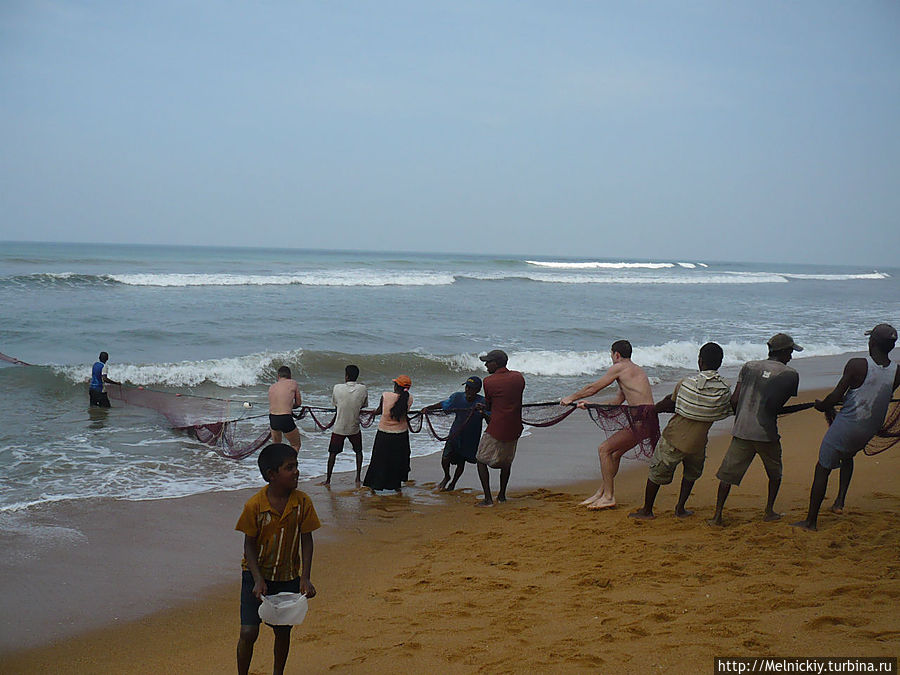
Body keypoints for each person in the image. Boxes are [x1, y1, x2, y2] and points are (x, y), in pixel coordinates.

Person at [792, 324, 900, 532]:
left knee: (822, 468)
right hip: (869, 428)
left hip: (849, 426)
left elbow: (834, 397)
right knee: (848, 455)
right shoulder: (897, 371)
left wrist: (821, 405)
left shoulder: (857, 365)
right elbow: (881, 393)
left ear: (872, 343)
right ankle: (839, 502)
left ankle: (810, 522)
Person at [235, 443, 319, 675]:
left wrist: (305, 577)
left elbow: (307, 540)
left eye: (296, 466)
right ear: (272, 475)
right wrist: (258, 578)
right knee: (248, 632)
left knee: (282, 631)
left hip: (287, 576)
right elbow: (249, 546)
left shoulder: (302, 503)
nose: (296, 472)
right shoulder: (254, 506)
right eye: (289, 467)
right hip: (255, 576)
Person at [629, 343, 732, 520]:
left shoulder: (686, 383)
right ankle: (680, 508)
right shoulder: (724, 389)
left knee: (656, 473)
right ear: (720, 363)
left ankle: (647, 510)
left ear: (700, 361)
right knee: (691, 475)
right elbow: (723, 409)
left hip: (674, 438)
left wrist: (654, 410)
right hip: (698, 442)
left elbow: (672, 402)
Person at [708, 333, 802, 526]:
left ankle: (717, 516)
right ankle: (769, 511)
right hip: (766, 433)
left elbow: (735, 399)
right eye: (790, 352)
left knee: (727, 476)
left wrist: (741, 415)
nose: (791, 356)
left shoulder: (749, 366)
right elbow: (774, 407)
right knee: (775, 474)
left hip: (742, 430)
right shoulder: (790, 375)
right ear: (783, 352)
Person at [560, 339, 654, 510]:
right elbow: (617, 401)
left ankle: (609, 496)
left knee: (604, 449)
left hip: (642, 420)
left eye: (611, 355)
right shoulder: (635, 370)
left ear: (616, 354)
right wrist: (589, 404)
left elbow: (593, 387)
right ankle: (602, 492)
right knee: (615, 454)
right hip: (647, 421)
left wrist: (571, 398)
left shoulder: (619, 367)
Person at [475, 350, 526, 507]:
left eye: (488, 362)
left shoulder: (489, 381)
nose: (485, 365)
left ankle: (488, 499)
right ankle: (502, 495)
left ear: (495, 363)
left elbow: (489, 405)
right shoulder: (518, 377)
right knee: (506, 462)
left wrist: (482, 408)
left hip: (497, 427)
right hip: (515, 427)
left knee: (481, 460)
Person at [422, 376, 487, 491]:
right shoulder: (457, 397)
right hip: (455, 434)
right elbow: (444, 404)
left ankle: (453, 483)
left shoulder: (482, 402)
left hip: (470, 437)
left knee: (461, 462)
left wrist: (482, 411)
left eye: (471, 388)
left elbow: (490, 419)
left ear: (477, 390)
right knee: (445, 457)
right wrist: (428, 408)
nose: (467, 390)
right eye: (467, 387)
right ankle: (447, 476)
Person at [320, 365, 369, 487]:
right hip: (354, 427)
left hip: (339, 427)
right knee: (358, 451)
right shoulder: (363, 389)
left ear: (346, 376)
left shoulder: (337, 388)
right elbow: (363, 405)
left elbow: (336, 404)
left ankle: (328, 479)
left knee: (332, 453)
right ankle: (358, 478)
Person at [362, 375, 413, 492]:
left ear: (396, 386)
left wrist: (372, 413)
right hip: (401, 435)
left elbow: (380, 410)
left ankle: (375, 485)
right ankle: (395, 485)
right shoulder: (409, 398)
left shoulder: (386, 395)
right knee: (397, 460)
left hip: (384, 434)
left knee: (379, 460)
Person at [268, 366, 302, 452]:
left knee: (276, 446)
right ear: (289, 376)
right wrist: (291, 406)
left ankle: (276, 465)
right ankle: (290, 464)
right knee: (295, 445)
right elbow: (298, 403)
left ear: (278, 376)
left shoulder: (272, 387)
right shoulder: (293, 383)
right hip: (285, 417)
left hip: (273, 418)